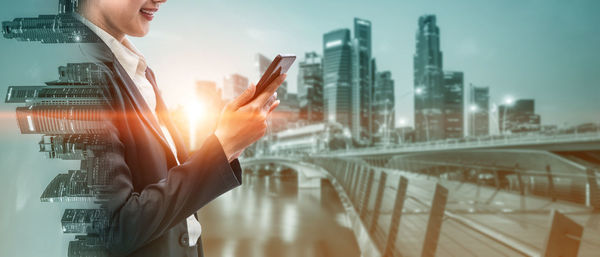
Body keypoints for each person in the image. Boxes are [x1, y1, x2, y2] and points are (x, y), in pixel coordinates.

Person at [76, 0, 286, 256]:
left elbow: (164, 176)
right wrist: (222, 145)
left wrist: (228, 142)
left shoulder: (138, 71)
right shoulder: (80, 74)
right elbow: (113, 228)